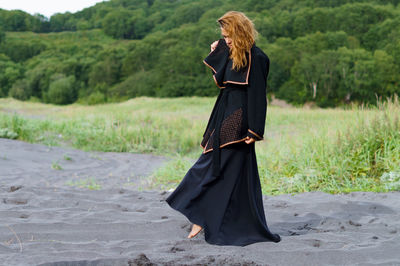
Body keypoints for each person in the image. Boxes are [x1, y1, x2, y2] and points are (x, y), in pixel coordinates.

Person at [165, 11, 281, 246]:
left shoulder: (257, 58)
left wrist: (254, 130)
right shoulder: (231, 53)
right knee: (226, 170)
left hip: (240, 119)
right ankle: (207, 216)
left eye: (229, 36)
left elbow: (258, 96)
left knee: (211, 165)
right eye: (224, 36)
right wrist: (217, 50)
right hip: (222, 112)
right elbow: (221, 81)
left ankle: (200, 215)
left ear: (240, 32)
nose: (226, 40)